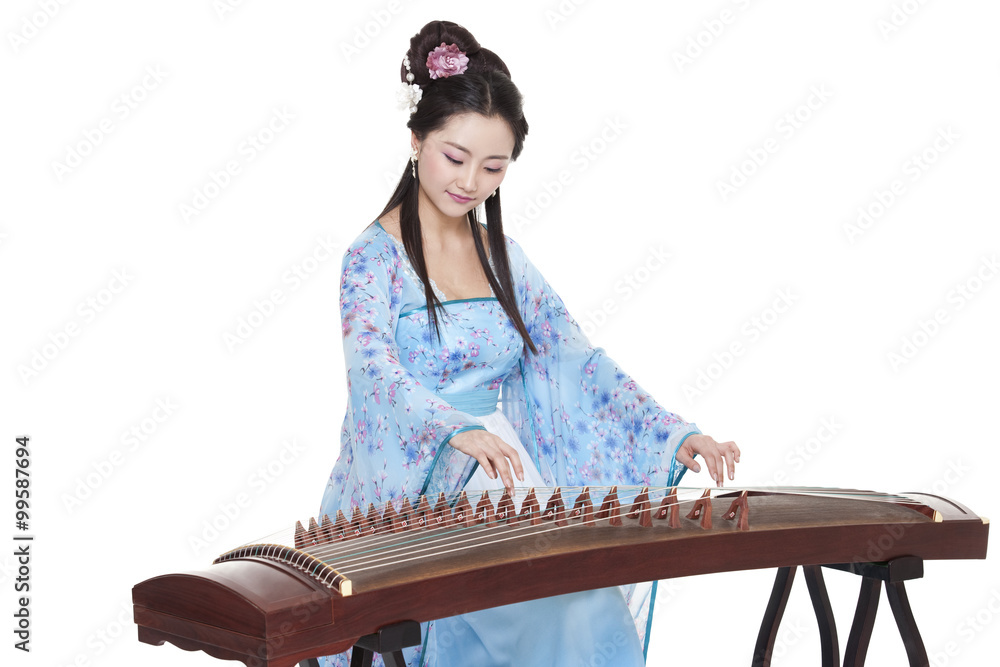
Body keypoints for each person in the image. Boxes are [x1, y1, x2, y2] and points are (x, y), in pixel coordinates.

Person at [318, 20, 740, 667]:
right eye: (454, 158)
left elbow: (575, 360)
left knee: (577, 596)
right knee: (554, 604)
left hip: (504, 472)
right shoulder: (373, 257)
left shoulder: (502, 258)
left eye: (493, 167)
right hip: (419, 471)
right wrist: (451, 428)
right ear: (415, 140)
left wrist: (669, 433)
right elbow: (372, 371)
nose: (471, 183)